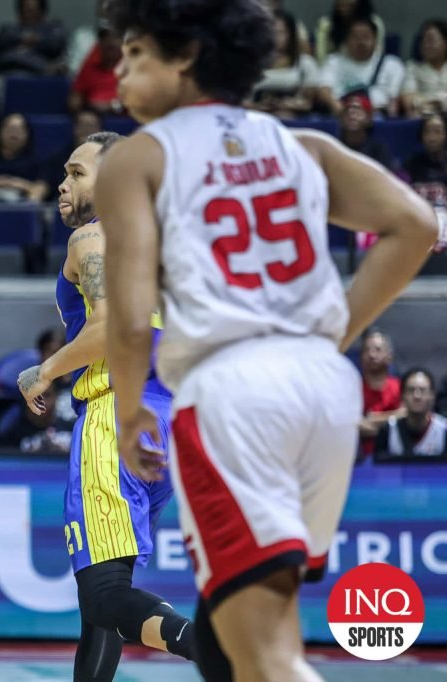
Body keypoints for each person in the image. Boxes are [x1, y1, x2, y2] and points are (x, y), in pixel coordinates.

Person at [96, 2, 441, 681]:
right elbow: (416, 225)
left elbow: (132, 318)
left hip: (231, 395)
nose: (119, 71)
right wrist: (332, 330)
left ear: (186, 56)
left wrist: (133, 410)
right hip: (323, 388)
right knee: (239, 640)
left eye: (134, 53)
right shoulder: (300, 144)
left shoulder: (137, 158)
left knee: (267, 656)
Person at [18, 132, 194, 681]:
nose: (62, 183)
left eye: (76, 173)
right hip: (170, 421)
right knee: (101, 603)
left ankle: (213, 645)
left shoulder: (93, 236)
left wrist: (44, 371)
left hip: (117, 416)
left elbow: (108, 325)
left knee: (102, 595)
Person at [318, 16, 405, 116]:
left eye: (366, 37)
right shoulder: (333, 62)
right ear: (346, 40)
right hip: (340, 115)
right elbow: (324, 91)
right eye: (355, 37)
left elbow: (394, 101)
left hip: (377, 116)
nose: (361, 42)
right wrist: (341, 112)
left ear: (376, 40)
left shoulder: (392, 64)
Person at [252, 10, 321, 118]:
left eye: (281, 32)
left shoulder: (305, 63)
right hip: (256, 115)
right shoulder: (252, 64)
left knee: (283, 116)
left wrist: (286, 104)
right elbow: (243, 101)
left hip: (291, 116)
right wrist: (258, 106)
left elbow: (308, 103)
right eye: (272, 31)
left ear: (291, 34)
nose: (275, 37)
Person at [375, 367, 447, 459]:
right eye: (411, 390)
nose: (417, 396)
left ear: (432, 396)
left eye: (422, 390)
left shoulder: (444, 430)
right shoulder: (388, 430)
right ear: (402, 396)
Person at [358, 327, 404, 458]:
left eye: (377, 350)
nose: (372, 355)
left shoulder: (400, 387)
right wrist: (392, 421)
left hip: (394, 460)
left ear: (389, 356)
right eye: (367, 350)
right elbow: (350, 425)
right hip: (359, 461)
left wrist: (373, 418)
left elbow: (407, 417)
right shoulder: (352, 389)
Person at [0, 0, 67, 76]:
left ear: (42, 11)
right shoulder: (8, 29)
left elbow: (56, 44)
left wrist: (36, 40)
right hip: (10, 74)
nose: (30, 14)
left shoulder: (53, 29)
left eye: (34, 10)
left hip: (42, 79)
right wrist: (22, 38)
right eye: (26, 10)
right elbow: (0, 42)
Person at [314, 0, 385, 63]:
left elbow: (377, 55)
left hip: (368, 69)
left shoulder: (374, 23)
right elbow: (321, 58)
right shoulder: (326, 26)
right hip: (335, 72)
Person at [403, 19, 447, 117]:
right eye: (423, 40)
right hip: (424, 118)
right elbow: (408, 100)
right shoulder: (413, 67)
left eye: (431, 40)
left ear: (445, 43)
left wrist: (439, 103)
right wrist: (435, 104)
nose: (426, 45)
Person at [407, 111, 447, 207]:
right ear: (421, 136)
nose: (432, 138)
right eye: (427, 132)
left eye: (437, 132)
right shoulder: (412, 163)